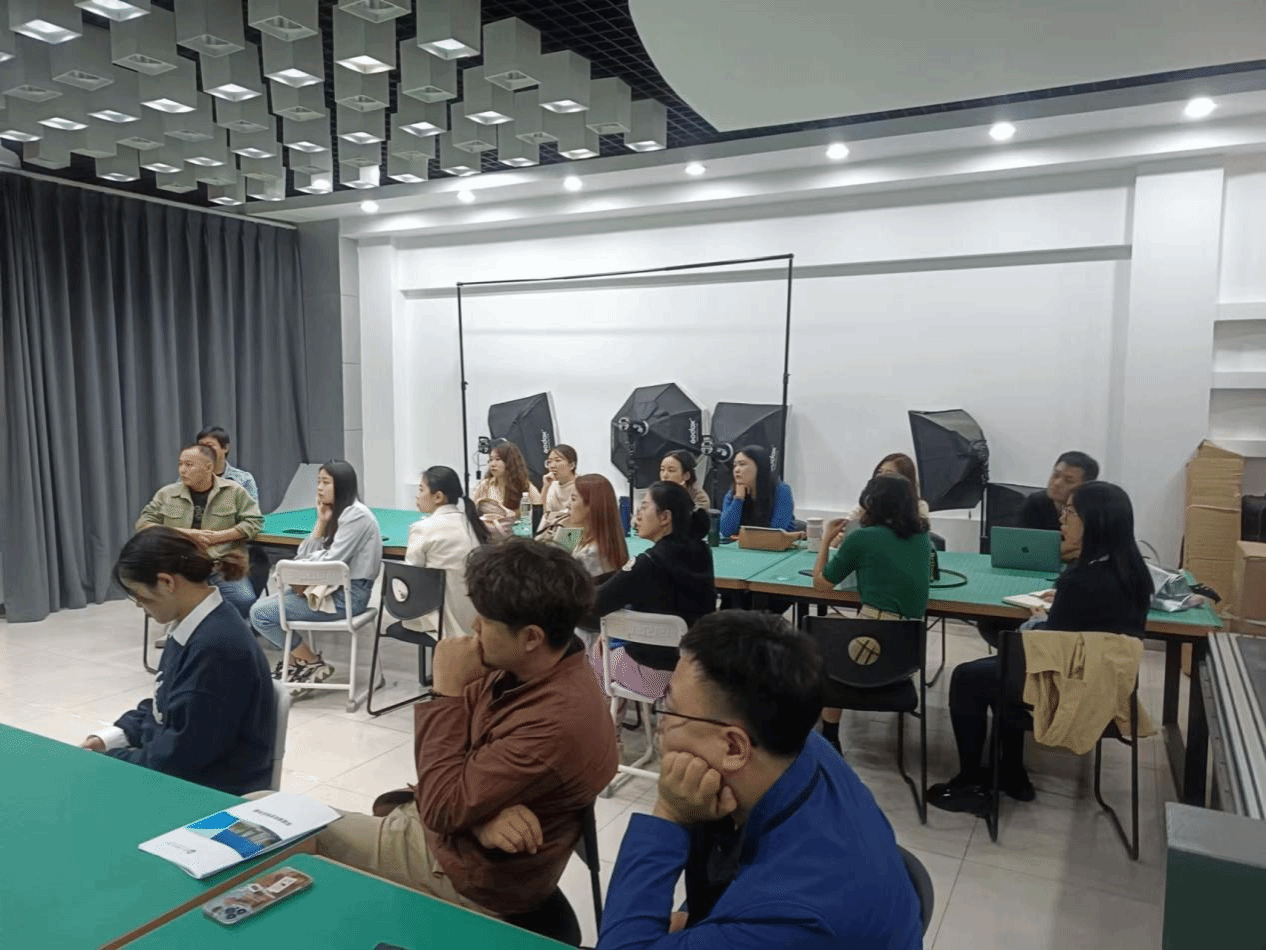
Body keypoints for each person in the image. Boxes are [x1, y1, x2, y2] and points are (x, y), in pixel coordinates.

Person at [311, 540, 619, 917]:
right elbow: (460, 770)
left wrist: (445, 693)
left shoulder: (557, 720)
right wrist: (480, 818)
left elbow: (441, 807)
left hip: (463, 872)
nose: (474, 628)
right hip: (457, 835)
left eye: (485, 621)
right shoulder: (535, 666)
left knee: (275, 820)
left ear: (531, 637)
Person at [598, 610, 922, 949]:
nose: (661, 724)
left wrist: (669, 814)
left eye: (669, 707)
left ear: (734, 747)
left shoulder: (789, 914)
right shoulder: (798, 743)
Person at [927, 481, 1153, 814]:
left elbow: (1048, 646)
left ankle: (971, 781)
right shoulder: (1134, 573)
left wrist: (1036, 619)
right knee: (1001, 669)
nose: (1062, 518)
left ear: (1094, 521)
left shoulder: (1079, 581)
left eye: (1070, 511)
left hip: (1069, 682)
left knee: (967, 677)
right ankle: (1011, 772)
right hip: (1107, 682)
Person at [81, 527, 274, 795]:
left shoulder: (215, 648)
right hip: (183, 770)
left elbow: (180, 759)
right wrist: (110, 738)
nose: (138, 604)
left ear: (166, 583)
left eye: (139, 595)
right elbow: (164, 706)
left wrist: (111, 762)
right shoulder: (193, 625)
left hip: (211, 790)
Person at [812, 473, 932, 753]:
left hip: (870, 649)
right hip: (907, 654)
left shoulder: (863, 539)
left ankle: (829, 735)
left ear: (872, 503)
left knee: (825, 631)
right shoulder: (923, 539)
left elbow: (821, 584)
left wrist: (826, 539)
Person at [249, 460, 382, 691]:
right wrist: (320, 522)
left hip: (347, 597)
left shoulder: (356, 515)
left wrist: (298, 571)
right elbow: (305, 554)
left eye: (326, 482)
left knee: (261, 614)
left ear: (342, 485)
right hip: (327, 589)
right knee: (261, 610)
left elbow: (331, 561)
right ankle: (297, 662)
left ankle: (311, 662)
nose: (319, 488)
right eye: (318, 481)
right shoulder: (336, 513)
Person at [592, 481, 716, 700]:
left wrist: (561, 533)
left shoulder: (593, 541)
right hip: (692, 666)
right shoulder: (701, 549)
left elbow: (589, 595)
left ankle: (605, 720)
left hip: (647, 662)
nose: (566, 506)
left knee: (586, 645)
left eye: (573, 499)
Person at [136, 443, 263, 618]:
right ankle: (188, 626)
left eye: (189, 465)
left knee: (244, 600)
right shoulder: (167, 494)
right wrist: (186, 534)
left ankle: (220, 627)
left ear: (208, 467)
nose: (182, 470)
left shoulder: (233, 492)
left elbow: (254, 522)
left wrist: (219, 537)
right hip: (178, 567)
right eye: (180, 464)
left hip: (220, 565)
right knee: (165, 603)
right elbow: (144, 524)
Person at [403, 465, 488, 639]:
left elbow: (409, 579)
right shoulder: (470, 523)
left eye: (421, 489)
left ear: (438, 497)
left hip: (441, 619)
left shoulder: (423, 528)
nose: (417, 495)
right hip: (476, 618)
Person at [718, 445, 795, 538]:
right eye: (735, 465)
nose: (736, 470)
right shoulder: (733, 493)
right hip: (744, 544)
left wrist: (745, 537)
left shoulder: (781, 490)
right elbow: (725, 531)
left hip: (777, 545)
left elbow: (776, 530)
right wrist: (738, 499)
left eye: (742, 464)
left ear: (759, 466)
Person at [565, 473, 628, 579]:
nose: (567, 505)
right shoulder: (608, 541)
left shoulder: (589, 555)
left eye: (573, 499)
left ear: (591, 506)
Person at [1022, 450, 1099, 536]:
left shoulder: (1092, 512)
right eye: (1056, 475)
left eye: (1069, 481)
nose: (1057, 483)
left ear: (1085, 486)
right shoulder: (1035, 502)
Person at [841, 453, 930, 527]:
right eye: (880, 472)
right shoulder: (867, 503)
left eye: (889, 473)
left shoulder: (919, 507)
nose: (880, 477)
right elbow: (845, 527)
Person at [471, 440, 541, 513]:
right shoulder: (485, 485)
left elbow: (539, 507)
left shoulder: (524, 485)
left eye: (498, 459)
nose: (492, 464)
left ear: (510, 462)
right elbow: (473, 512)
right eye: (490, 460)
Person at [196, 425, 259, 502]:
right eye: (201, 446)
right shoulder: (190, 477)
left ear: (225, 448)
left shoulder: (244, 479)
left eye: (209, 445)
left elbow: (252, 508)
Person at [536, 444, 578, 541]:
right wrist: (545, 487)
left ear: (572, 465)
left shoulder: (581, 486)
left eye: (558, 461)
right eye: (549, 462)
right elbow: (545, 516)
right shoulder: (552, 485)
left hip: (573, 532)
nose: (552, 466)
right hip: (552, 532)